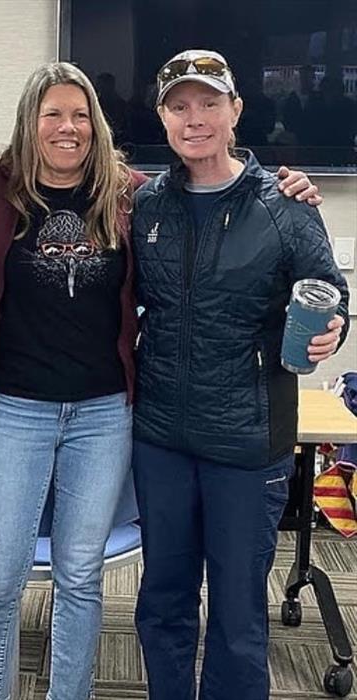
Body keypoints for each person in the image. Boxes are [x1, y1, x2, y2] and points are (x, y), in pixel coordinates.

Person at [0, 62, 320, 700]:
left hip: (103, 413)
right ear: (31, 121)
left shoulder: (130, 193)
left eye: (80, 114)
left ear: (96, 124)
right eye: (52, 113)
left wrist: (281, 187)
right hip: (15, 411)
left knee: (80, 577)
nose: (67, 126)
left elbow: (209, 202)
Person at [130, 49, 349, 700]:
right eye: (178, 106)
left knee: (237, 617)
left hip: (248, 445)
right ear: (164, 118)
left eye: (208, 103)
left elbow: (326, 291)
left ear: (236, 112)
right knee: (162, 602)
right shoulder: (147, 207)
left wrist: (331, 329)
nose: (193, 118)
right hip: (161, 437)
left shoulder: (285, 204)